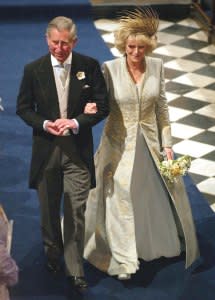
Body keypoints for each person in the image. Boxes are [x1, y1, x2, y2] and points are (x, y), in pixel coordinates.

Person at [84, 8, 200, 280]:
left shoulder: (157, 66)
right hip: (117, 143)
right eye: (130, 47)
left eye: (140, 48)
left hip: (150, 144)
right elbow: (102, 104)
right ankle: (124, 259)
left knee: (151, 194)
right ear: (123, 46)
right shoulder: (110, 69)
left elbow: (161, 107)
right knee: (119, 195)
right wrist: (88, 108)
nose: (135, 52)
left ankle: (154, 242)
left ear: (148, 47)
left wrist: (168, 143)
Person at [16, 16, 109, 289]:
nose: (59, 48)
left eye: (65, 43)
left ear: (74, 41)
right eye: (55, 43)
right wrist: (45, 124)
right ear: (47, 40)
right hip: (46, 152)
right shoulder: (33, 70)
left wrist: (78, 121)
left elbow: (103, 106)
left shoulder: (89, 66)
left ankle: (75, 267)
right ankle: (52, 252)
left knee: (75, 211)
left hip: (77, 154)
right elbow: (23, 108)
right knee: (48, 211)